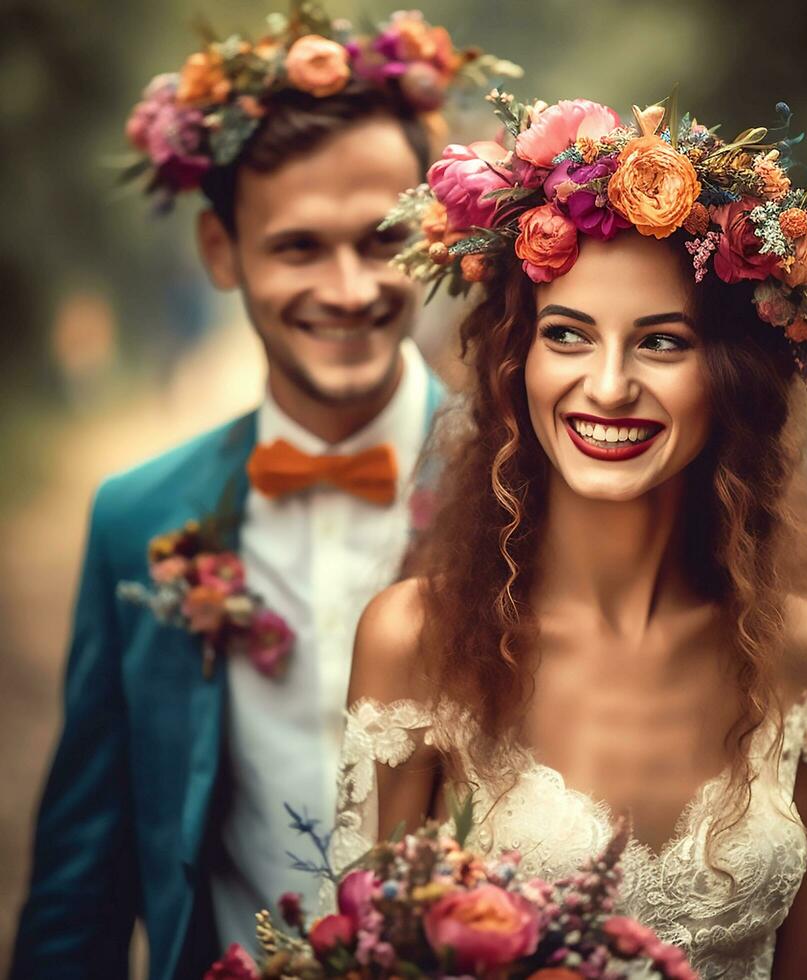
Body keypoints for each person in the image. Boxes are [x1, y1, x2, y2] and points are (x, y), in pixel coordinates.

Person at [330, 92, 807, 977]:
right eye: (567, 334)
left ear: (733, 379)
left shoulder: (804, 653)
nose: (606, 385)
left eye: (661, 343)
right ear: (518, 365)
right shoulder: (416, 643)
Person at [11, 11, 517, 980]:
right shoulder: (137, 521)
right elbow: (82, 877)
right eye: (296, 248)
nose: (346, 286)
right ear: (220, 250)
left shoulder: (521, 484)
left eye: (378, 239)